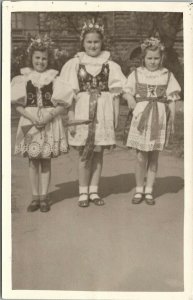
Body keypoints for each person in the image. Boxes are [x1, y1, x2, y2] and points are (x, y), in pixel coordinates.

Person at [59, 19, 126, 207]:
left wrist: (115, 116)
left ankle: (94, 190)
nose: (93, 45)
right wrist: (71, 116)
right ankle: (82, 191)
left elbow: (116, 92)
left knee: (98, 153)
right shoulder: (75, 64)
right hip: (82, 111)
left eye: (96, 41)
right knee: (84, 153)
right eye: (89, 42)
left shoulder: (110, 65)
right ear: (83, 43)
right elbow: (68, 94)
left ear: (101, 43)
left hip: (102, 113)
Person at [11, 35, 73, 212]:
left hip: (49, 121)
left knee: (45, 161)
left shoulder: (54, 79)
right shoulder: (23, 78)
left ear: (49, 59)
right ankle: (35, 196)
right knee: (32, 161)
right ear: (31, 58)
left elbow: (63, 104)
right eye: (37, 58)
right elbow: (17, 106)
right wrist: (31, 117)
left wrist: (47, 117)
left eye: (44, 58)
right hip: (28, 122)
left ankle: (44, 197)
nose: (40, 61)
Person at [123, 37, 181, 205]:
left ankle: (149, 190)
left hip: (159, 119)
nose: (153, 62)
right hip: (142, 118)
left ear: (161, 58)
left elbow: (172, 99)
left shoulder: (167, 75)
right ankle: (139, 188)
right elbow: (126, 91)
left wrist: (172, 119)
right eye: (149, 58)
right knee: (141, 156)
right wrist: (130, 99)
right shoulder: (137, 74)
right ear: (143, 58)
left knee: (154, 156)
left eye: (156, 58)